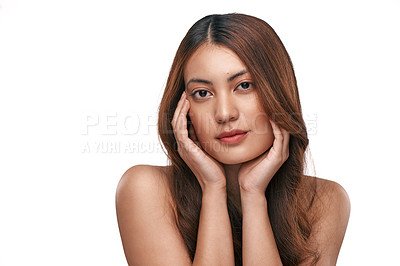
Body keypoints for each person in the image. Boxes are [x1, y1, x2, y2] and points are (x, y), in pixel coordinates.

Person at [116, 13, 350, 266]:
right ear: (184, 110)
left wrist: (253, 195)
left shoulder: (323, 201)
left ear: (278, 91)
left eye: (244, 86)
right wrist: (212, 189)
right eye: (203, 93)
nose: (225, 113)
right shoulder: (145, 189)